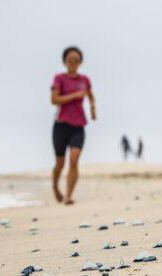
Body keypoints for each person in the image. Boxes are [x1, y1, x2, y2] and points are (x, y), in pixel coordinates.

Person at [51, 46, 96, 205]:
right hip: (61, 126)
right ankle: (56, 187)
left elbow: (90, 95)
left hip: (78, 126)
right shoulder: (59, 78)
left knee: (74, 159)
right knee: (60, 164)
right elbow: (54, 100)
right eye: (70, 60)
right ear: (65, 61)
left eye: (76, 60)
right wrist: (74, 96)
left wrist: (92, 109)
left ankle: (68, 195)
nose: (73, 62)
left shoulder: (85, 80)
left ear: (80, 62)